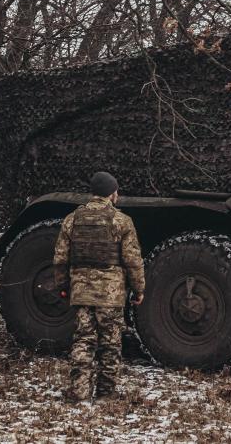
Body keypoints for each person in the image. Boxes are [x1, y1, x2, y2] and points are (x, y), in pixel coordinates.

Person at [53, 171, 145, 401]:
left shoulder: (72, 219)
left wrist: (63, 286)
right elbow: (132, 260)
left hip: (82, 292)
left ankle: (80, 391)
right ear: (112, 193)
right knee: (110, 343)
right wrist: (139, 289)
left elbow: (60, 258)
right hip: (110, 295)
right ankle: (106, 392)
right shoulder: (121, 221)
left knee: (83, 340)